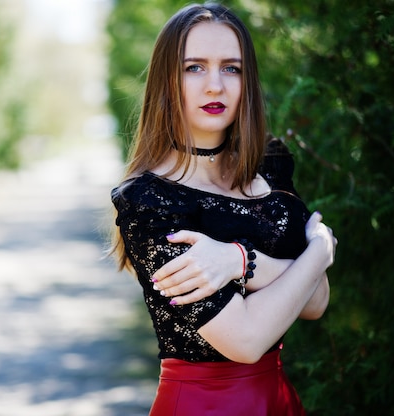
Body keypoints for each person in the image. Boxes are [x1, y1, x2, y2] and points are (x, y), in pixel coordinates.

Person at [110, 2, 336, 415]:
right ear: (166, 80)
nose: (215, 85)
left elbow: (316, 300)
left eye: (231, 68)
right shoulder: (149, 202)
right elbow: (246, 341)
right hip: (204, 405)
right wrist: (319, 251)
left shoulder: (270, 167)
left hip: (280, 400)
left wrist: (238, 262)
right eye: (194, 67)